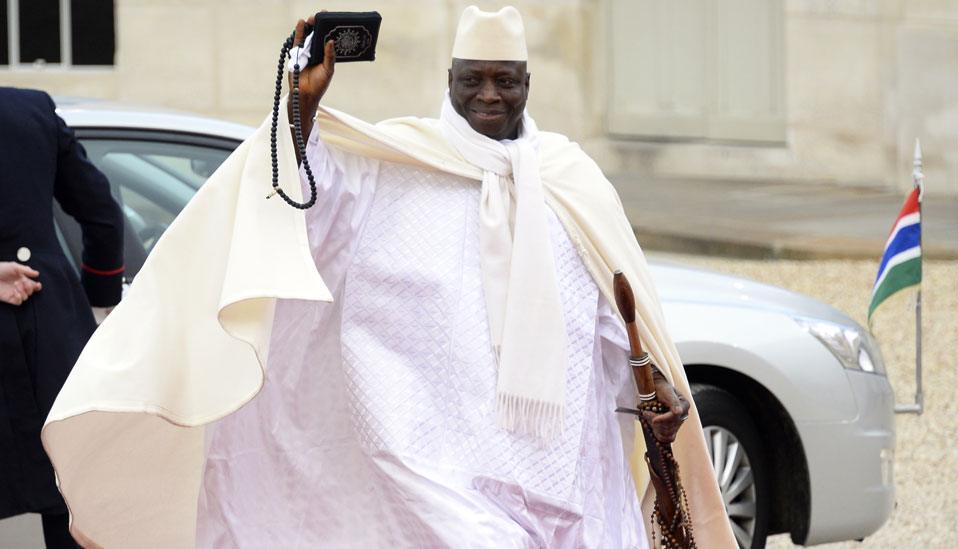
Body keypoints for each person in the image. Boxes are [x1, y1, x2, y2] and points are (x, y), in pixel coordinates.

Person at [42, 7, 735, 548]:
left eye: (505, 80)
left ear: (530, 84)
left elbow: (605, 314)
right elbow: (304, 203)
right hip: (430, 460)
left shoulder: (570, 179)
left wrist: (652, 386)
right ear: (450, 81)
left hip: (563, 463)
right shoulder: (395, 165)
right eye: (473, 80)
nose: (489, 95)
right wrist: (303, 105)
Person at [0, 87, 124, 548]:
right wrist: (99, 300)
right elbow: (102, 214)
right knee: (71, 502)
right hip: (49, 328)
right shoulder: (30, 110)